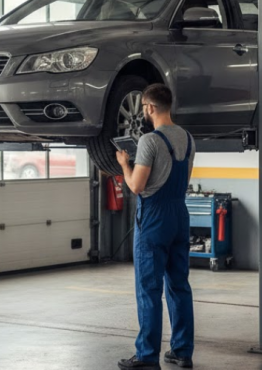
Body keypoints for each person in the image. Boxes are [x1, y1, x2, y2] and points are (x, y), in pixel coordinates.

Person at [116, 84, 196, 370]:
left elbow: (137, 186)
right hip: (179, 213)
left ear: (149, 107)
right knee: (179, 285)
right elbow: (184, 180)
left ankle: (147, 355)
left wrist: (125, 164)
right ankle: (182, 352)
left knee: (148, 288)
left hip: (154, 218)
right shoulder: (188, 139)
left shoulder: (149, 141)